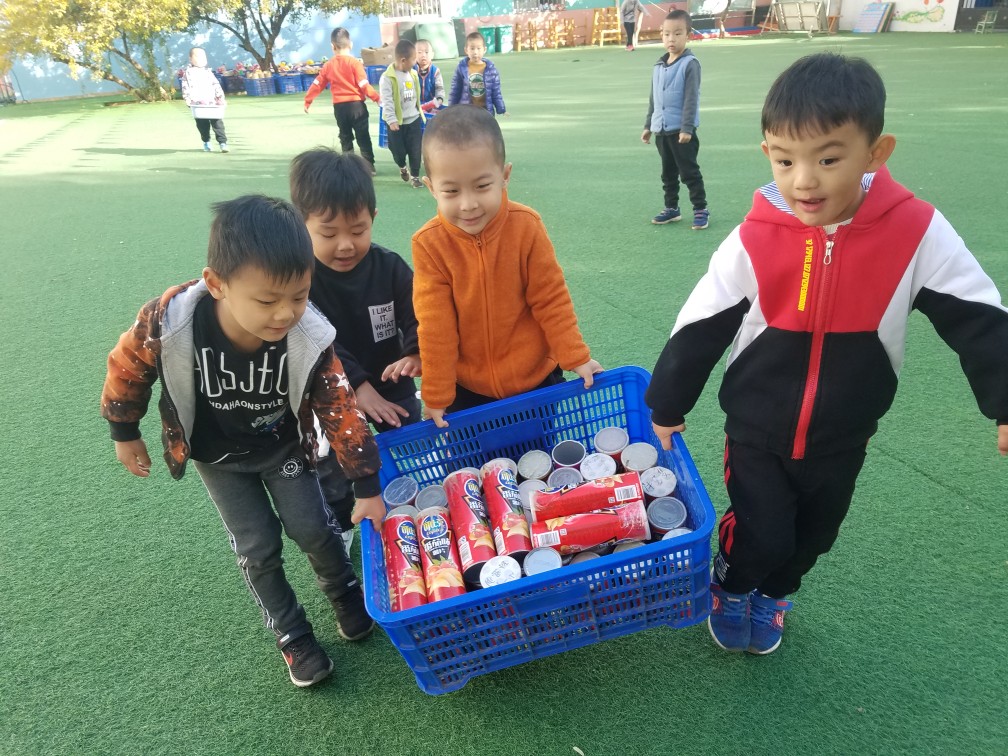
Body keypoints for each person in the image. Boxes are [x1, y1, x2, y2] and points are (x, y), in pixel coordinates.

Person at [645, 52, 1008, 657]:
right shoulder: (756, 237)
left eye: (828, 159)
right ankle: (731, 586)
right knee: (761, 532)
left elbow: (978, 316)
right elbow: (701, 323)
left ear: (876, 153)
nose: (804, 181)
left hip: (843, 434)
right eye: (785, 160)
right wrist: (667, 403)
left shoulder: (917, 231)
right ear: (768, 152)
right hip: (756, 429)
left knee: (813, 537)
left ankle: (775, 594)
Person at [100, 195, 387, 688]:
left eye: (299, 295)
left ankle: (344, 593)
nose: (285, 313)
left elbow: (340, 407)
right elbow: (129, 366)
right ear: (217, 284)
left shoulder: (308, 335)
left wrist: (366, 485)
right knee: (258, 548)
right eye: (267, 301)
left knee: (315, 529)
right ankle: (293, 634)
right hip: (219, 460)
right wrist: (124, 430)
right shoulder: (169, 321)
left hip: (282, 448)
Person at [413, 106, 602, 427]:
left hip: (535, 380)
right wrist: (436, 395)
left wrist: (576, 357)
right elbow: (435, 326)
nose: (468, 204)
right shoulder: (429, 244)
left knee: (539, 450)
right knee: (472, 456)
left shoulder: (526, 226)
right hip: (469, 389)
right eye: (451, 191)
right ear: (432, 188)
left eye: (482, 186)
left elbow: (550, 298)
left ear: (504, 175)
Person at [289, 147, 422, 551]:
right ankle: (343, 522)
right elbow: (321, 341)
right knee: (333, 467)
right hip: (330, 396)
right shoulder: (300, 281)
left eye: (358, 230)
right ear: (301, 226)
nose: (345, 245)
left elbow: (419, 313)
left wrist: (415, 353)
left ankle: (411, 507)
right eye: (328, 234)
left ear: (373, 219)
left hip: (391, 381)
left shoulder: (389, 267)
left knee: (411, 444)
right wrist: (358, 388)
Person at [642, 10, 709, 230]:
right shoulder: (658, 66)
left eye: (678, 34)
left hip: (682, 132)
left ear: (688, 35)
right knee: (668, 174)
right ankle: (672, 208)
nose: (671, 39)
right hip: (662, 131)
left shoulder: (690, 64)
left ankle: (700, 209)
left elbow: (691, 98)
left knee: (689, 172)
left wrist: (687, 128)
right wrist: (648, 125)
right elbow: (654, 98)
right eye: (667, 34)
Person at [304, 27, 380, 175]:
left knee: (345, 137)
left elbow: (317, 84)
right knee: (363, 136)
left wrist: (308, 100)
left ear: (332, 46)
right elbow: (363, 84)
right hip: (357, 106)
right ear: (350, 44)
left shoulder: (328, 65)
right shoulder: (355, 63)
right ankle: (369, 166)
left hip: (339, 108)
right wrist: (376, 97)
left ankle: (348, 167)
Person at [379, 39, 425, 188]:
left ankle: (415, 177)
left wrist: (420, 111)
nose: (415, 62)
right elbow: (387, 100)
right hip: (396, 123)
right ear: (403, 60)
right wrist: (392, 120)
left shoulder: (413, 74)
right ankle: (402, 167)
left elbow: (416, 95)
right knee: (398, 152)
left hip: (413, 119)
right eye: (413, 59)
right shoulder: (387, 78)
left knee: (415, 150)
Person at [180, 47, 228, 153]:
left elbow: (216, 85)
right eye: (198, 56)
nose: (201, 59)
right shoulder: (188, 73)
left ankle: (223, 143)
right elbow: (185, 86)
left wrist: (220, 97)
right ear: (190, 59)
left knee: (217, 123)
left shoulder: (208, 72)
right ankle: (206, 141)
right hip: (197, 103)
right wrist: (187, 98)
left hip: (212, 102)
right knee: (202, 125)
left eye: (203, 57)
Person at [448, 32, 506, 117]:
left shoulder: (491, 70)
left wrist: (501, 109)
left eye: (479, 48)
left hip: (485, 110)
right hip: (466, 110)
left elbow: (496, 92)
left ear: (484, 49)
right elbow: (455, 90)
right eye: (472, 48)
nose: (475, 52)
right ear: (466, 50)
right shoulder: (461, 68)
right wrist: (450, 109)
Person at [415, 39, 446, 114]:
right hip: (415, 106)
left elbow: (439, 88)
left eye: (426, 52)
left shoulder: (435, 71)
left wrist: (439, 100)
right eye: (419, 52)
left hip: (432, 104)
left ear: (432, 54)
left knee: (448, 112)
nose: (423, 55)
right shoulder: (411, 71)